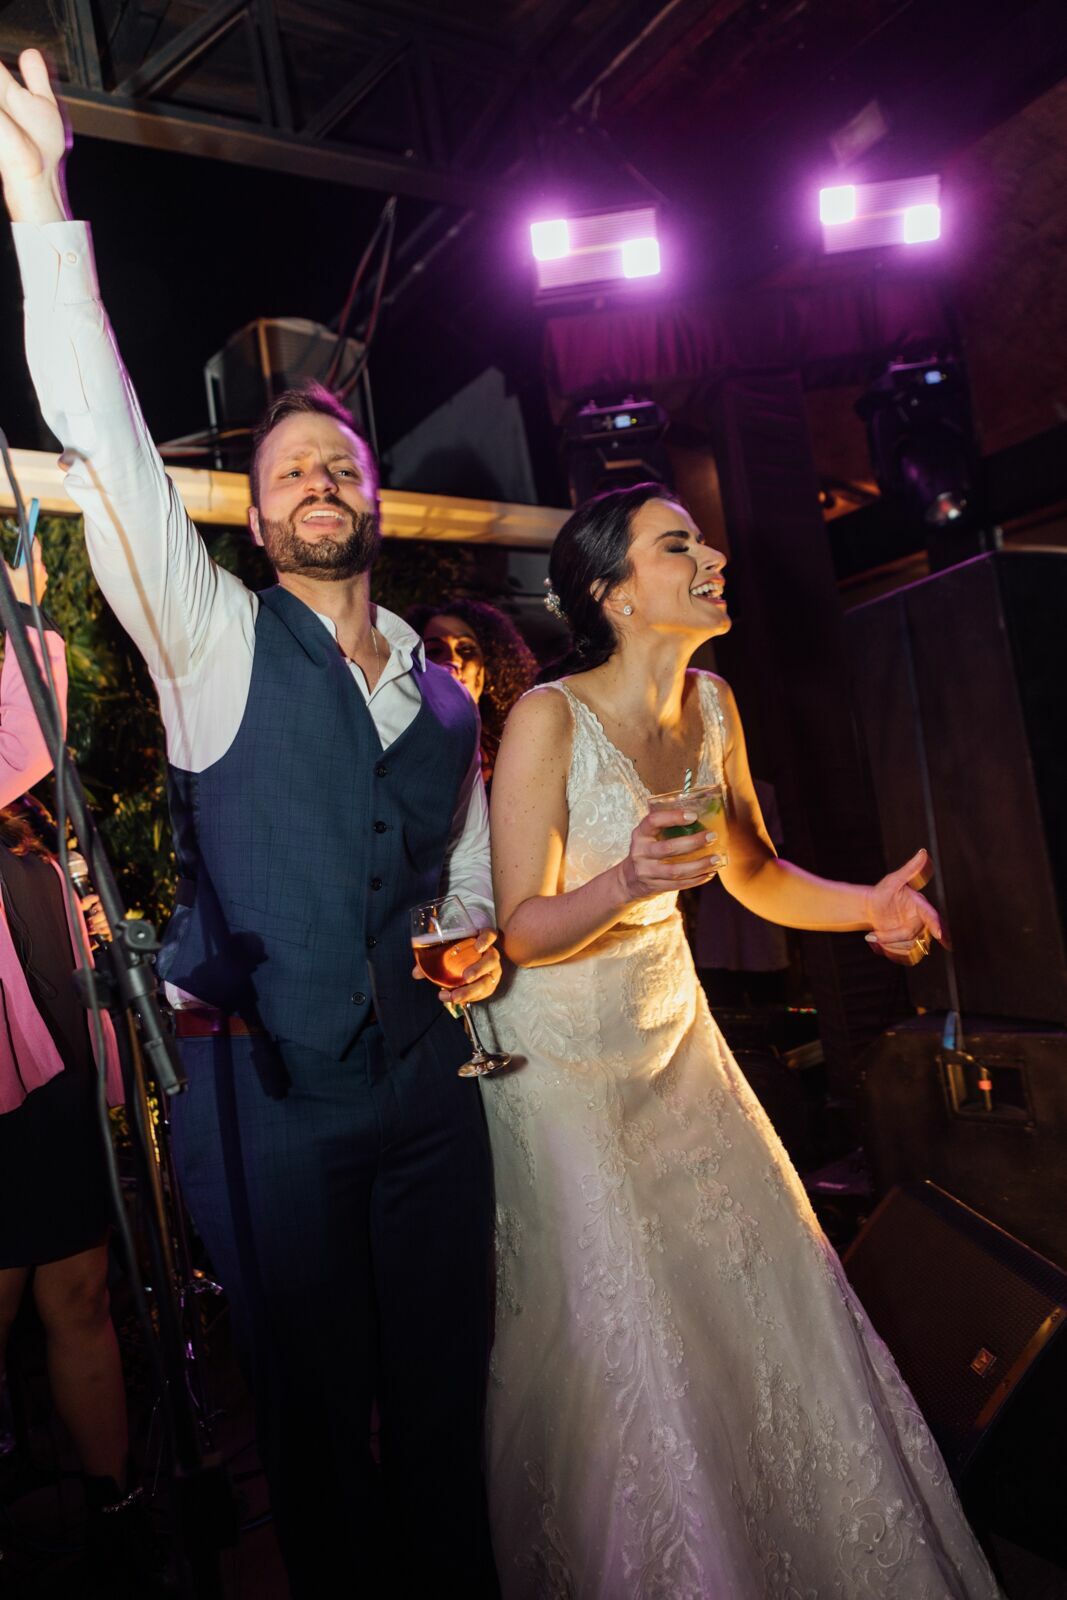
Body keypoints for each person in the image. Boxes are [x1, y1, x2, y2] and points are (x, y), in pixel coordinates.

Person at [0, 50, 502, 1597]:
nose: (314, 484)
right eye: (286, 472)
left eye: (337, 465)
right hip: (277, 1116)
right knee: (309, 1422)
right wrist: (42, 214)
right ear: (258, 513)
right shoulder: (212, 643)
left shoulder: (448, 697)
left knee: (437, 1402)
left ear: (371, 498)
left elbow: (454, 874)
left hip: (429, 1107)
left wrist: (469, 937)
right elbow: (100, 430)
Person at [481, 484, 1001, 1597]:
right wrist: (624, 881)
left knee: (757, 1281)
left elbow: (753, 872)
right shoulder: (546, 719)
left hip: (675, 1035)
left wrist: (866, 905)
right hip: (564, 1063)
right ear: (612, 592)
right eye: (678, 544)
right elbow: (519, 927)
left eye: (703, 537)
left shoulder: (712, 705)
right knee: (629, 1317)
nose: (711, 551)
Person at [0, 553, 133, 1575]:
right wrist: (28, 608)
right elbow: (23, 721)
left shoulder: (24, 817)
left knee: (78, 1288)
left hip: (52, 1060)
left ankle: (115, 1502)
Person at [407, 598, 539, 785]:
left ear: (488, 669)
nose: (453, 660)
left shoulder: (514, 751)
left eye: (467, 649)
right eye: (435, 651)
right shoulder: (403, 748)